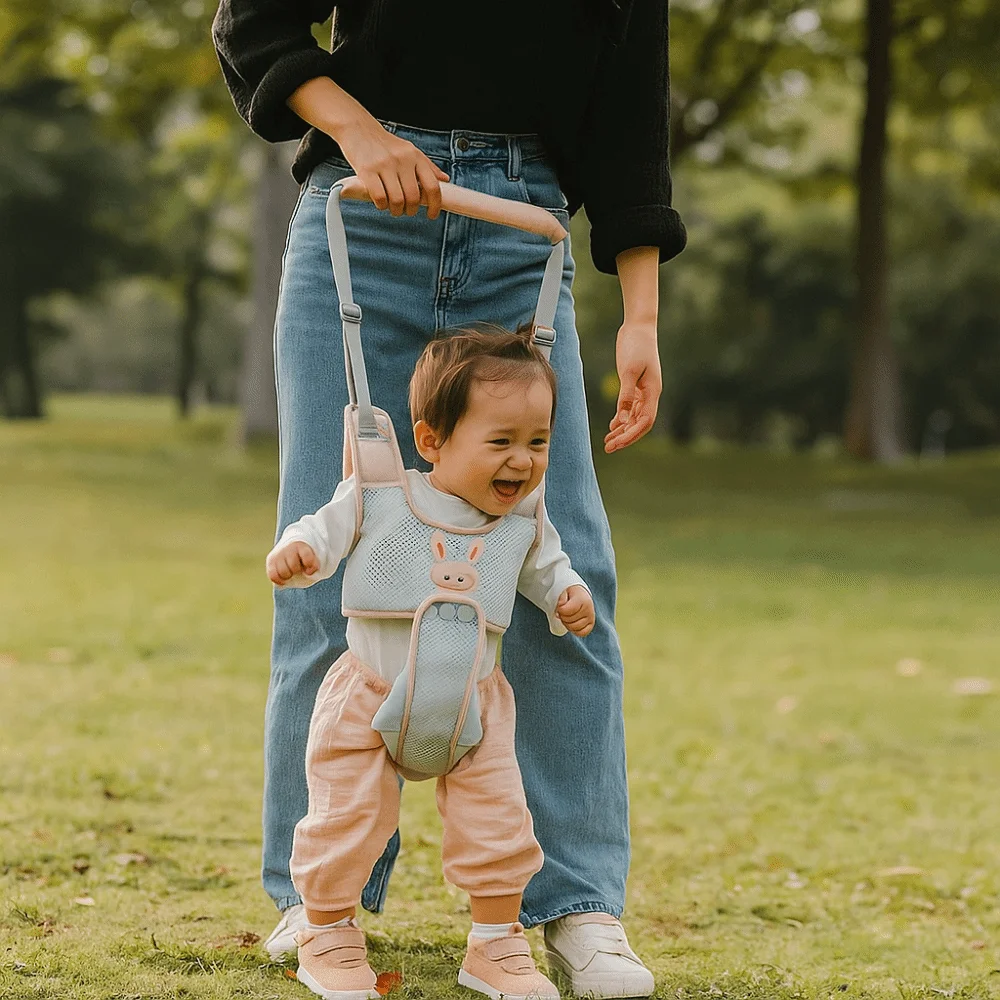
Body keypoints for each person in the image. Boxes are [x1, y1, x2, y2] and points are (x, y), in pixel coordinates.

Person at [212, 2, 686, 996]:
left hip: (525, 231)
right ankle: (319, 897)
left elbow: (632, 113)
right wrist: (359, 132)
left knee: (567, 576)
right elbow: (251, 19)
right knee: (321, 561)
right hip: (363, 211)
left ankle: (576, 904)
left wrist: (639, 315)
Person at [268, 326, 594, 999]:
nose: (523, 461)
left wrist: (568, 596)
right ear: (432, 441)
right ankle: (326, 930)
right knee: (345, 818)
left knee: (500, 822)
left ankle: (495, 944)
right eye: (501, 442)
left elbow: (548, 569)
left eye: (537, 443)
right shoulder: (380, 495)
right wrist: (300, 552)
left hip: (475, 706)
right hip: (367, 695)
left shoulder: (525, 523)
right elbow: (322, 529)